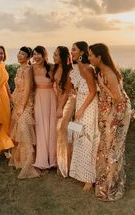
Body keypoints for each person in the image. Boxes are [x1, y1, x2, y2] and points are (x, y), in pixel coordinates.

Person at [89, 43, 131, 201]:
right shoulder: (100, 71)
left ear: (99, 57)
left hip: (117, 112)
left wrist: (103, 87)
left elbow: (118, 98)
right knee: (106, 146)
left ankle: (111, 184)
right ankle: (106, 180)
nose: (89, 58)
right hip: (108, 111)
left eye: (91, 55)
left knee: (112, 147)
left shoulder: (109, 74)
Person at [69, 41, 100, 191]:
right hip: (80, 105)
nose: (71, 52)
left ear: (82, 53)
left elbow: (93, 92)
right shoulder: (77, 68)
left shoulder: (88, 68)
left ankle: (89, 178)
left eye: (74, 50)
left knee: (87, 141)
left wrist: (81, 109)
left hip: (88, 108)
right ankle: (79, 173)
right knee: (79, 138)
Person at [9, 47, 40, 179]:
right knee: (19, 132)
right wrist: (13, 100)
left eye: (23, 54)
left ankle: (29, 163)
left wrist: (22, 106)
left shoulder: (27, 70)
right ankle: (21, 160)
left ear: (28, 57)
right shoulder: (19, 69)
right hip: (17, 103)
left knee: (24, 129)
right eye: (19, 53)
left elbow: (27, 90)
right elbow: (17, 87)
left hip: (26, 104)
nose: (20, 55)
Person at [32, 46, 57, 170]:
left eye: (39, 54)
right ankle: (41, 159)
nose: (36, 57)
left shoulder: (52, 67)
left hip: (51, 98)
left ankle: (53, 159)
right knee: (40, 127)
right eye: (34, 54)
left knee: (52, 127)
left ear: (44, 55)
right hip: (38, 98)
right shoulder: (31, 69)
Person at [53, 46, 75, 177]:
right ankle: (62, 162)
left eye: (56, 55)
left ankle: (67, 165)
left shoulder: (69, 71)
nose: (53, 57)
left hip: (68, 101)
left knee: (61, 129)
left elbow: (67, 91)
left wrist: (60, 107)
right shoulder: (55, 68)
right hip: (59, 100)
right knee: (66, 131)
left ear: (62, 57)